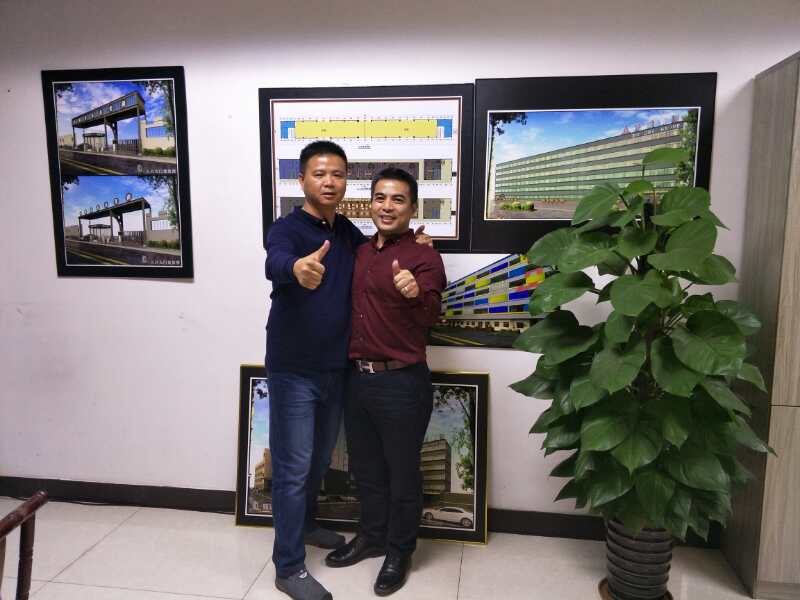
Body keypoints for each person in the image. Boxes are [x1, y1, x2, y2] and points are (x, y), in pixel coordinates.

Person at [265, 143, 431, 600]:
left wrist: (415, 244)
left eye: (338, 174)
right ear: (301, 179)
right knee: (294, 468)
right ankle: (288, 567)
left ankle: (306, 525)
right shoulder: (286, 229)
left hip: (338, 371)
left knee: (318, 462)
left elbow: (381, 249)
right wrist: (295, 268)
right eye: (319, 173)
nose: (329, 182)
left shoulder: (347, 234)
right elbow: (274, 260)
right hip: (294, 370)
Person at [324, 167, 446, 597]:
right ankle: (372, 537)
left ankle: (399, 551)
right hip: (357, 381)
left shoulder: (424, 256)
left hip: (402, 383)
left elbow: (431, 314)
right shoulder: (359, 252)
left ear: (412, 208)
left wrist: (415, 294)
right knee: (366, 470)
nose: (387, 206)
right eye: (380, 198)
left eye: (397, 199)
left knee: (402, 475)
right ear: (370, 203)